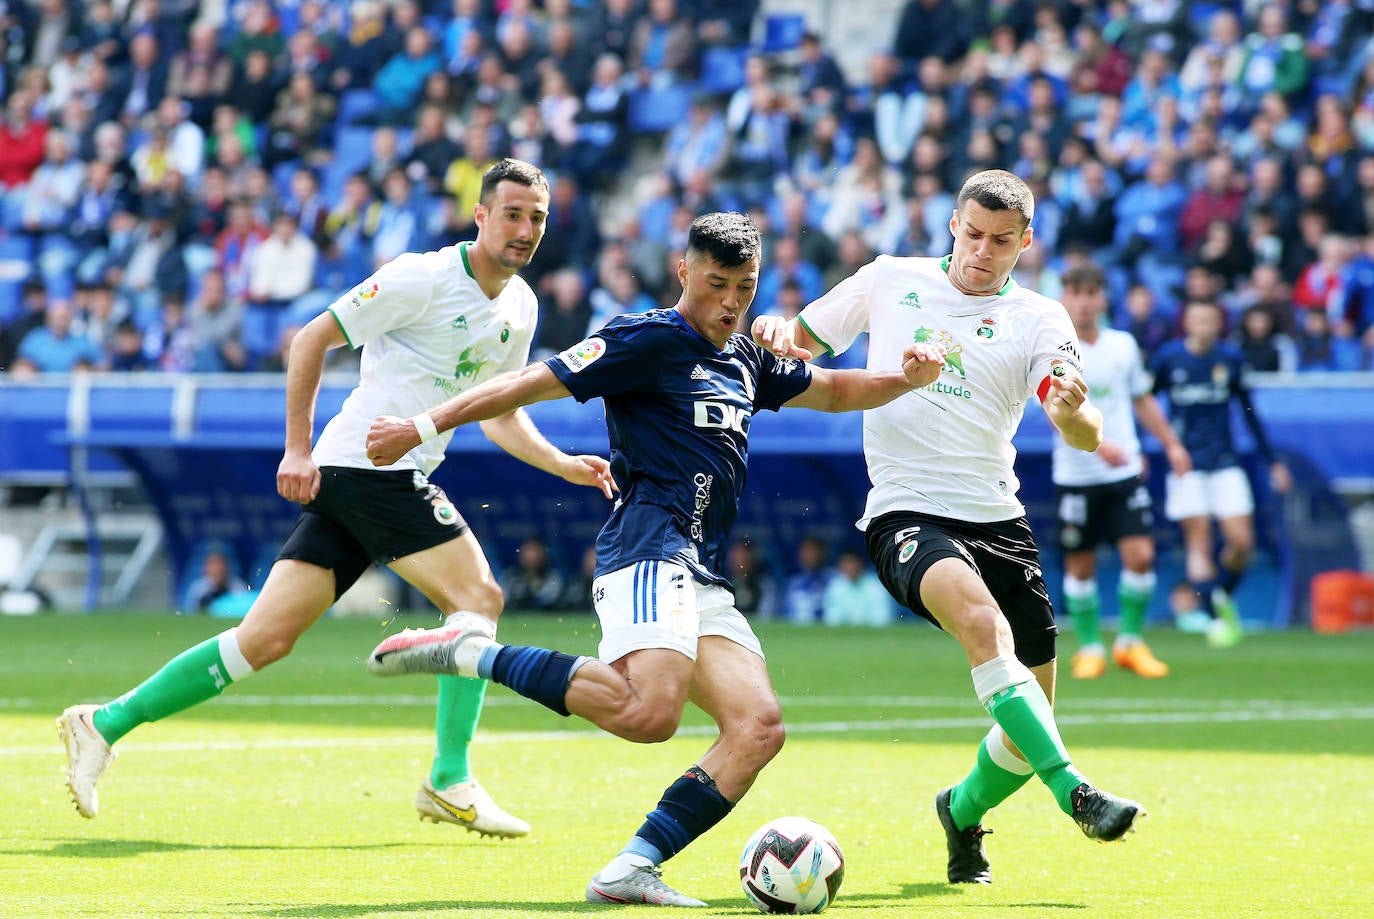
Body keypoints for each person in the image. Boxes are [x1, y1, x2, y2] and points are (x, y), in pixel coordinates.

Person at [363, 212, 946, 906]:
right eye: (717, 283)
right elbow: (528, 383)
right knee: (651, 714)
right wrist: (422, 425)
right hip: (646, 548)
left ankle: (629, 869)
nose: (730, 302)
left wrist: (906, 379)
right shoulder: (643, 339)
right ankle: (472, 649)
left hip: (701, 570)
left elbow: (835, 390)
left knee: (759, 728)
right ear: (684, 271)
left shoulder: (747, 356)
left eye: (746, 286)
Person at [57, 159, 616, 838]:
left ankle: (103, 721)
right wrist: (296, 448)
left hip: (374, 473)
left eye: (537, 217)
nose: (526, 229)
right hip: (367, 467)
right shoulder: (422, 277)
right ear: (481, 215)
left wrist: (561, 463)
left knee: (263, 640)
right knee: (478, 599)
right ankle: (448, 777)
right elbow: (312, 338)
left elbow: (496, 411)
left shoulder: (520, 306)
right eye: (513, 214)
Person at [750, 170, 1144, 886]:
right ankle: (1076, 792)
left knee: (1027, 725)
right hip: (907, 509)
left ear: (1025, 242)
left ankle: (960, 811)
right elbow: (798, 341)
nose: (981, 252)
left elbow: (1083, 431)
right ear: (953, 225)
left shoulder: (1040, 318)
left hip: (1000, 518)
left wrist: (1072, 412)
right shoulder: (888, 278)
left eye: (1001, 240)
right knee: (984, 630)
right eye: (972, 233)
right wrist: (777, 330)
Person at [1053, 264, 1193, 680]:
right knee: (1081, 565)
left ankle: (1130, 642)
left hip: (1124, 469)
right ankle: (1091, 648)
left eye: (1090, 292)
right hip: (1077, 474)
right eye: (1075, 292)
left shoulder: (1123, 346)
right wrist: (1099, 447)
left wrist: (1171, 443)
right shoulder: (1056, 349)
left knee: (1142, 555)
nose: (1083, 301)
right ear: (1064, 297)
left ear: (1102, 298)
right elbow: (1054, 411)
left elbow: (1142, 399)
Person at [1149, 299, 1292, 648]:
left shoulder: (1229, 359)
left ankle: (1219, 597)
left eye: (1210, 320)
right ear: (1187, 322)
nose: (1204, 326)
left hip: (1225, 462)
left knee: (1242, 544)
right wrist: (1159, 445)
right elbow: (1146, 403)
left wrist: (1272, 460)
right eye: (1197, 319)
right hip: (1186, 466)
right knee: (1200, 542)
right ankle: (1215, 619)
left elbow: (1249, 412)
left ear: (1218, 324)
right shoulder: (1168, 359)